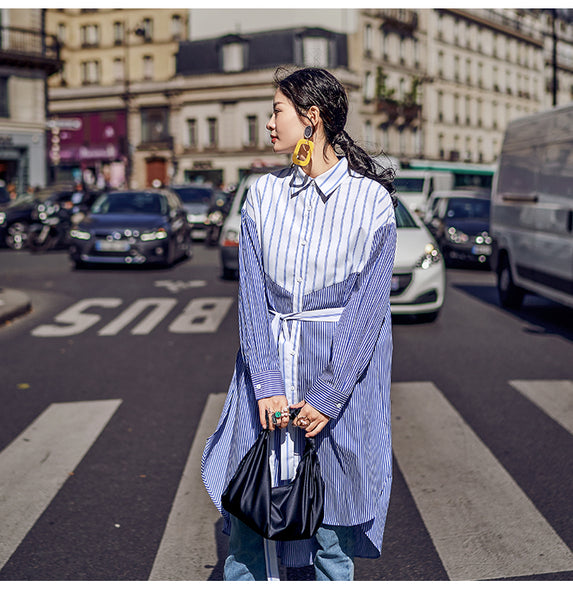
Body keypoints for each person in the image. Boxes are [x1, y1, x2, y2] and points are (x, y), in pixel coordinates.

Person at [201, 66, 397, 581]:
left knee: (331, 532)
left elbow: (367, 310)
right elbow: (251, 298)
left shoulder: (371, 202)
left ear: (311, 119)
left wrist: (329, 397)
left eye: (277, 111)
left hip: (338, 379)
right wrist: (265, 385)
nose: (268, 123)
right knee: (249, 513)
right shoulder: (262, 195)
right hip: (266, 377)